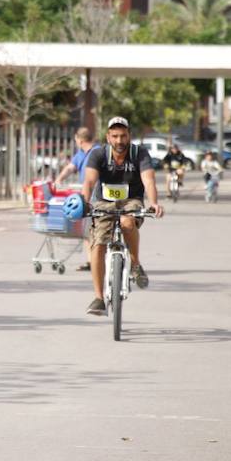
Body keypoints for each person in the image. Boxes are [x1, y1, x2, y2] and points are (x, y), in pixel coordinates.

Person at [80, 116, 164, 316]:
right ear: (108, 137)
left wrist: (153, 203)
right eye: (115, 136)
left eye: (123, 136)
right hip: (103, 203)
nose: (119, 141)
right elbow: (89, 182)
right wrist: (84, 202)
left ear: (129, 136)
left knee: (127, 223)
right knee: (98, 243)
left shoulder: (139, 154)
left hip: (131, 200)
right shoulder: (98, 154)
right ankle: (99, 298)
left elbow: (149, 181)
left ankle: (135, 264)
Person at [55, 126, 100, 271]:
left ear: (80, 140)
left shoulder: (98, 152)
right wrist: (59, 179)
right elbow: (70, 167)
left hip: (99, 195)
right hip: (86, 195)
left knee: (96, 229)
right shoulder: (81, 154)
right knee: (87, 229)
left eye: (75, 140)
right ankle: (91, 261)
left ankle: (98, 259)